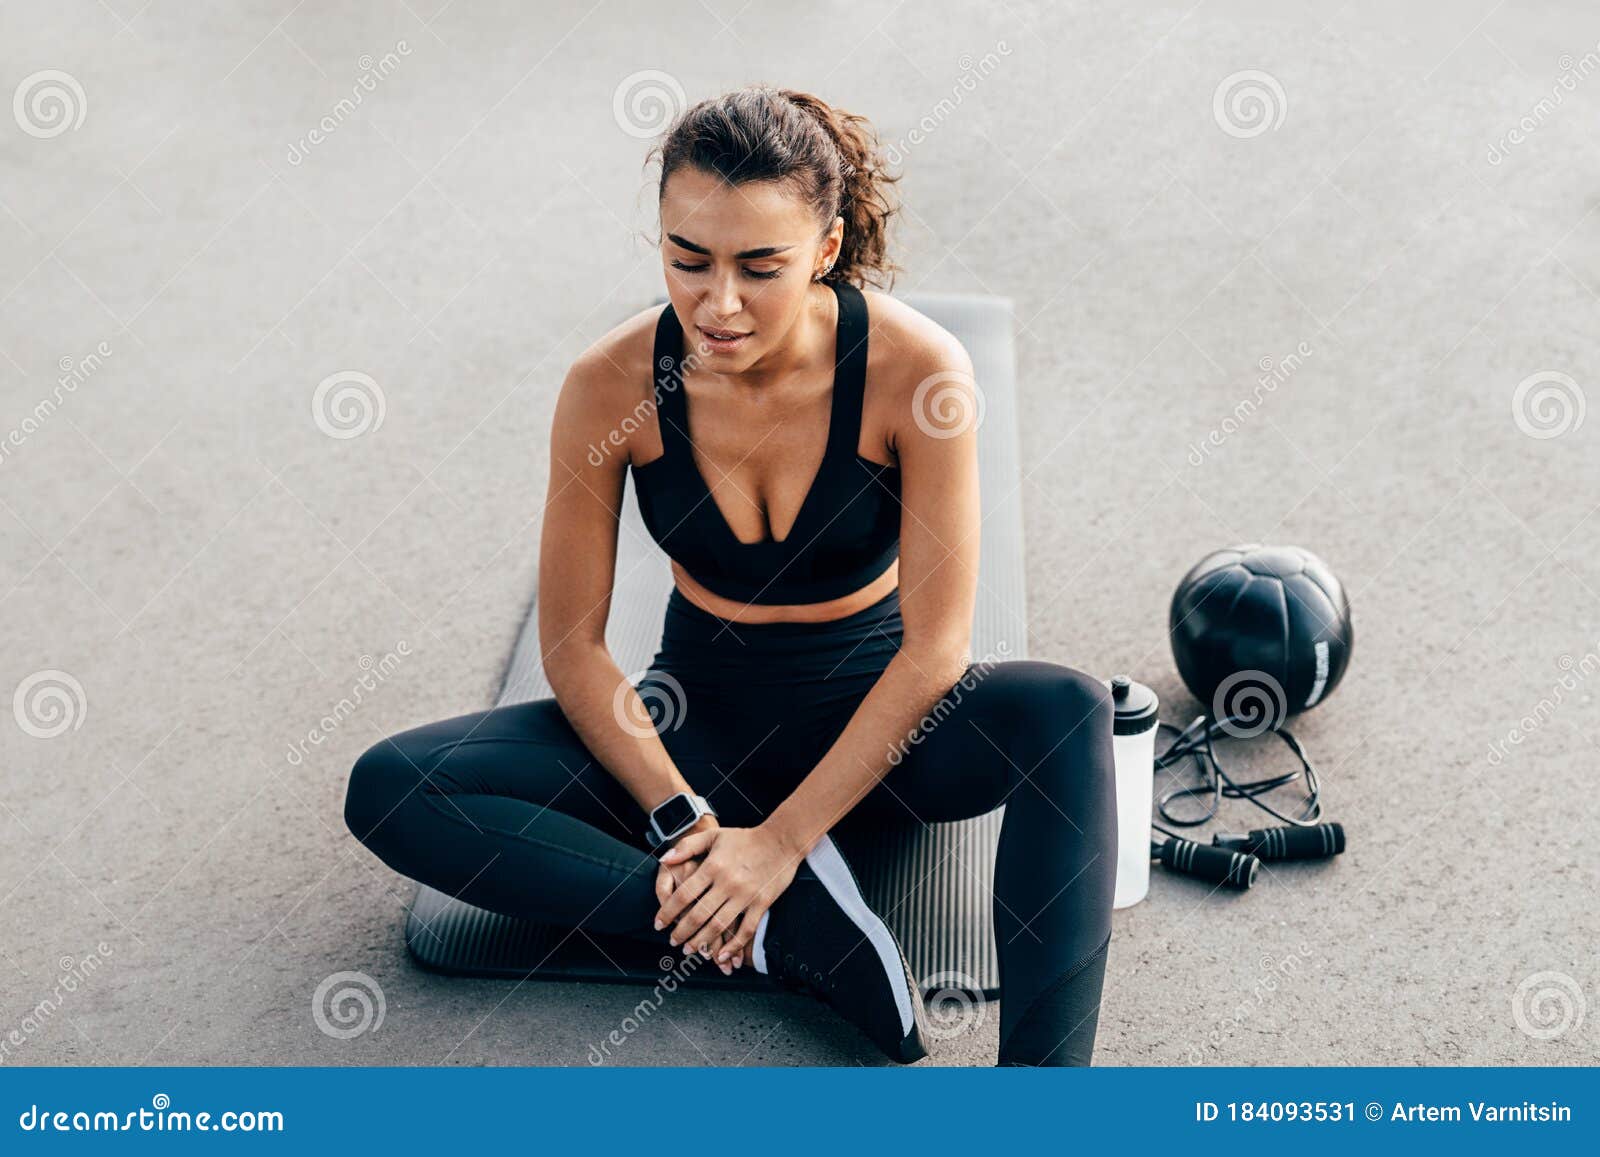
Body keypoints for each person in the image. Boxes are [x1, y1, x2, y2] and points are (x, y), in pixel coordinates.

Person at [343, 84, 1117, 1066]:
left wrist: (782, 836)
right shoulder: (608, 384)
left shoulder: (917, 371)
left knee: (1067, 711)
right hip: (697, 724)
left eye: (760, 267)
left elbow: (934, 651)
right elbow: (573, 647)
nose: (718, 303)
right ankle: (780, 930)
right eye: (687, 259)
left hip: (885, 734)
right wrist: (687, 824)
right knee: (394, 787)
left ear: (826, 250)